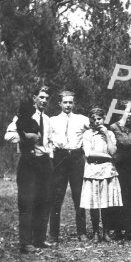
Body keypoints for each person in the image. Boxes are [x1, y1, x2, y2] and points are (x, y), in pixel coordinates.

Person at [4, 86, 53, 253]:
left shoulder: (47, 119)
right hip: (28, 164)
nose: (44, 101)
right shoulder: (23, 116)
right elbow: (8, 136)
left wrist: (49, 157)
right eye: (41, 97)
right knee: (27, 203)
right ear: (34, 98)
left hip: (44, 164)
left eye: (47, 98)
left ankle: (39, 239)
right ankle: (25, 242)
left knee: (44, 201)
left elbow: (49, 142)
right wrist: (26, 137)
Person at [48, 91, 90, 243]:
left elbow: (92, 133)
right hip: (59, 158)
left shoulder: (82, 119)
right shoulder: (52, 120)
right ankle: (53, 234)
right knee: (56, 196)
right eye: (65, 102)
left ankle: (82, 232)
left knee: (79, 195)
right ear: (60, 104)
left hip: (76, 158)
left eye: (70, 102)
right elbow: (47, 139)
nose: (68, 105)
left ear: (74, 104)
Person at [80, 107, 123, 243]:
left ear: (103, 119)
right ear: (91, 120)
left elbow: (113, 150)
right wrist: (108, 157)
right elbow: (89, 154)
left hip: (107, 171)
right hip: (93, 170)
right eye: (94, 119)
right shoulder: (87, 134)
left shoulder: (109, 133)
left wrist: (107, 136)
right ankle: (96, 233)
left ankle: (105, 232)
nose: (97, 121)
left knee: (106, 203)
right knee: (94, 204)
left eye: (99, 118)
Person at [110, 102, 131, 239]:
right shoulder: (113, 128)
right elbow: (125, 142)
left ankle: (130, 228)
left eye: (130, 112)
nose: (129, 114)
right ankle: (117, 229)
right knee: (119, 196)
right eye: (126, 112)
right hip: (119, 165)